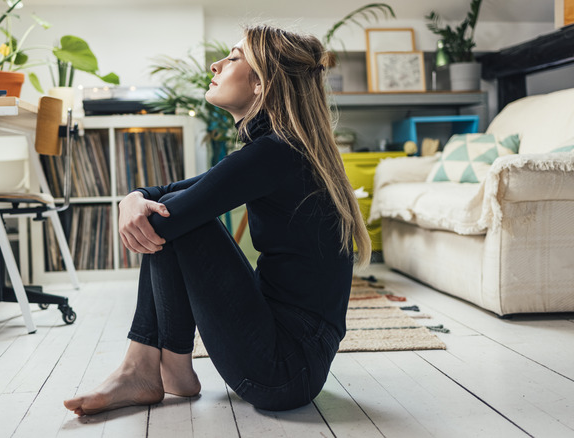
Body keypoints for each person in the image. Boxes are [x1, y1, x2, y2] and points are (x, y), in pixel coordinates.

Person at [64, 24, 371, 415]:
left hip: (283, 371)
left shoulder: (275, 153)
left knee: (176, 217)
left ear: (261, 82)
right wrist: (132, 198)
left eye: (233, 57)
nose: (216, 64)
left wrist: (141, 204)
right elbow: (168, 194)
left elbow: (167, 215)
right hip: (291, 362)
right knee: (176, 209)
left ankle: (146, 368)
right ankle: (162, 368)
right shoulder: (283, 148)